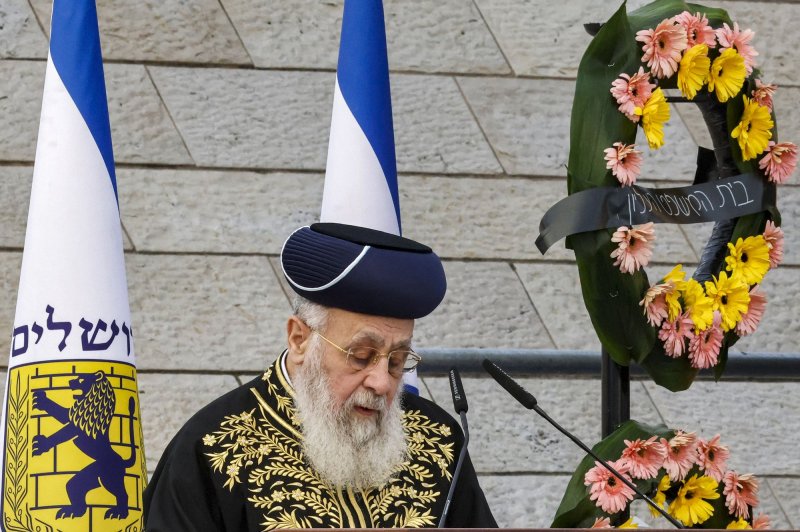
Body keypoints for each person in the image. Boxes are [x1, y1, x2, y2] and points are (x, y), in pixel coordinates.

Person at [144, 223, 497, 530]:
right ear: (300, 339)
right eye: (361, 357)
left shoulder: (438, 439)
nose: (382, 383)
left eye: (397, 361)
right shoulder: (212, 446)